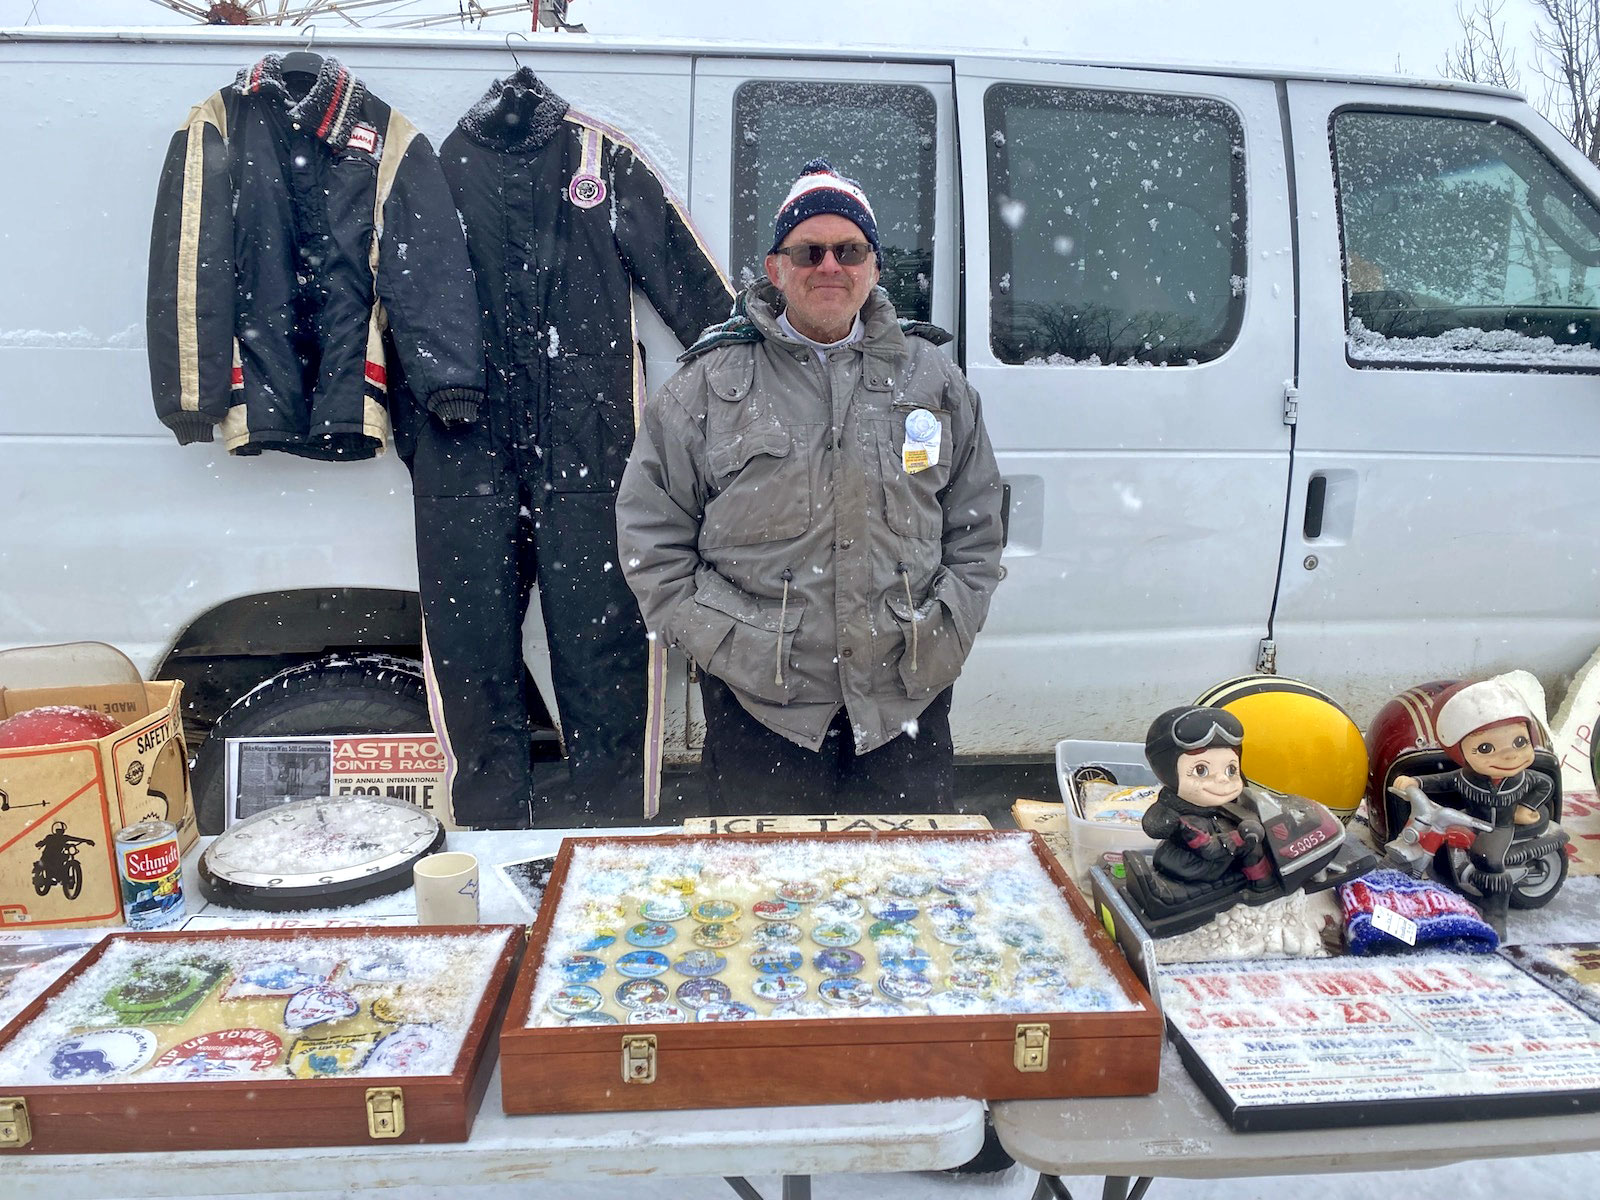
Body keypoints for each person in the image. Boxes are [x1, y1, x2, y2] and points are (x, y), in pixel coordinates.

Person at [616, 158, 1004, 813]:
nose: (830, 265)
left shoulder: (933, 380)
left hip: (905, 699)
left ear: (874, 267)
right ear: (776, 270)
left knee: (904, 897)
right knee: (769, 900)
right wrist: (722, 642)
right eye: (809, 250)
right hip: (761, 710)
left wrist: (949, 626)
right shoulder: (707, 387)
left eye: (849, 249)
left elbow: (979, 524)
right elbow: (649, 538)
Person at [1392, 678, 1560, 934]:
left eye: (1519, 742)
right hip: (1472, 819)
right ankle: (1452, 884)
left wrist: (1526, 807)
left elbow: (1545, 784)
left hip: (1500, 828)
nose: (1509, 755)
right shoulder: (1465, 777)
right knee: (1446, 841)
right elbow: (1441, 780)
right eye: (1485, 747)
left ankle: (1495, 913)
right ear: (1461, 752)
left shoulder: (1524, 779)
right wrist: (1415, 781)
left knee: (1488, 859)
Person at [1140, 705, 1272, 890]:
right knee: (1253, 848)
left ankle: (1260, 879)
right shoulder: (1188, 822)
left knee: (1256, 843)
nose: (1222, 779)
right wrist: (1241, 837)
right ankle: (1261, 883)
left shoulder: (1223, 808)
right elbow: (1209, 850)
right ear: (1170, 774)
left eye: (1231, 770)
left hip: (1213, 857)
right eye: (1201, 770)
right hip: (1193, 867)